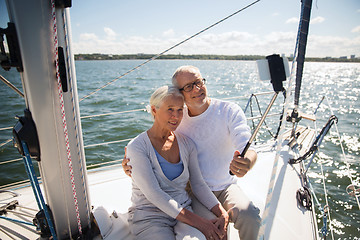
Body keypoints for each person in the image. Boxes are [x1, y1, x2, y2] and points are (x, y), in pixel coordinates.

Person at [124, 66, 261, 240]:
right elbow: (155, 140)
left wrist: (247, 162)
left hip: (222, 186)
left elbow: (246, 145)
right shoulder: (174, 119)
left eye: (198, 82)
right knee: (214, 231)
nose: (196, 89)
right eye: (188, 86)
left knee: (248, 218)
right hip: (182, 199)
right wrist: (131, 165)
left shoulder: (226, 112)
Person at [126, 85, 229, 240]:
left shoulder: (187, 144)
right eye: (170, 109)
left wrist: (222, 212)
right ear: (154, 110)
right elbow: (154, 194)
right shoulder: (137, 147)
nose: (176, 116)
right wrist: (202, 223)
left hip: (183, 210)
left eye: (180, 110)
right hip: (150, 217)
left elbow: (198, 184)